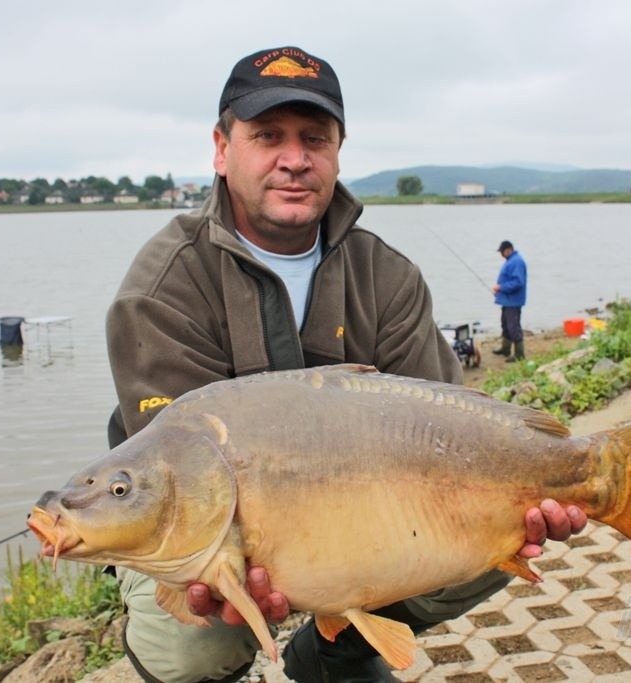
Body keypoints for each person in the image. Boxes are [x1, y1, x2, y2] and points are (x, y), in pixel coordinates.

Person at [105, 45, 586, 683]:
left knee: (482, 555)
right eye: (267, 136)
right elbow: (175, 476)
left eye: (315, 138)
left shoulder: (386, 276)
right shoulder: (163, 285)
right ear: (222, 150)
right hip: (209, 524)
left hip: (357, 520)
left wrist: (537, 482)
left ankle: (333, 651)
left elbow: (448, 433)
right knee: (196, 638)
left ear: (337, 150)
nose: (294, 158)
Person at [491, 240, 527, 362]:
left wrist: (501, 287)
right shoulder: (511, 261)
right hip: (507, 301)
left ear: (508, 250)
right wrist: (499, 290)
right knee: (505, 324)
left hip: (513, 302)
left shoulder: (517, 261)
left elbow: (518, 282)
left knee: (513, 327)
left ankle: (519, 354)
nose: (501, 254)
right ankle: (505, 349)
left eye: (502, 252)